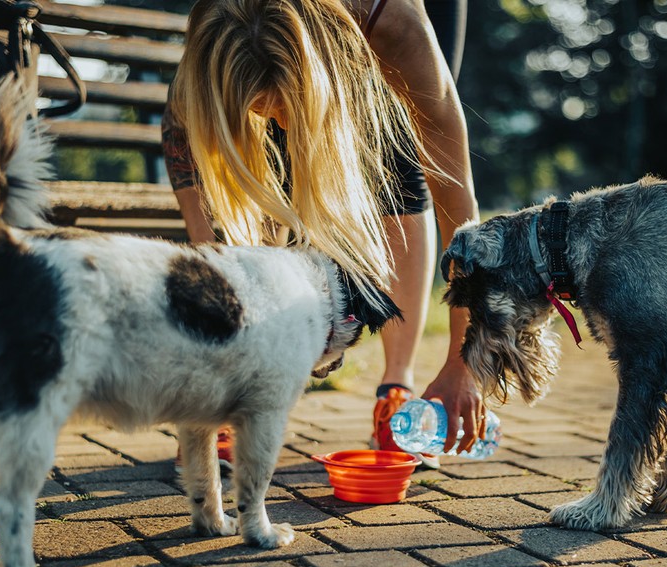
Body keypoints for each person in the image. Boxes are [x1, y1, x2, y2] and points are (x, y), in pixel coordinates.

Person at [162, 0, 485, 464]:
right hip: (299, 50)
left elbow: (459, 208)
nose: (279, 120)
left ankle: (396, 386)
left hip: (376, 24)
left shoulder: (393, 27)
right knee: (274, 159)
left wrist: (463, 363)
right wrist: (208, 251)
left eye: (283, 104)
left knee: (400, 159)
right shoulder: (221, 30)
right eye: (263, 108)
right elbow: (180, 128)